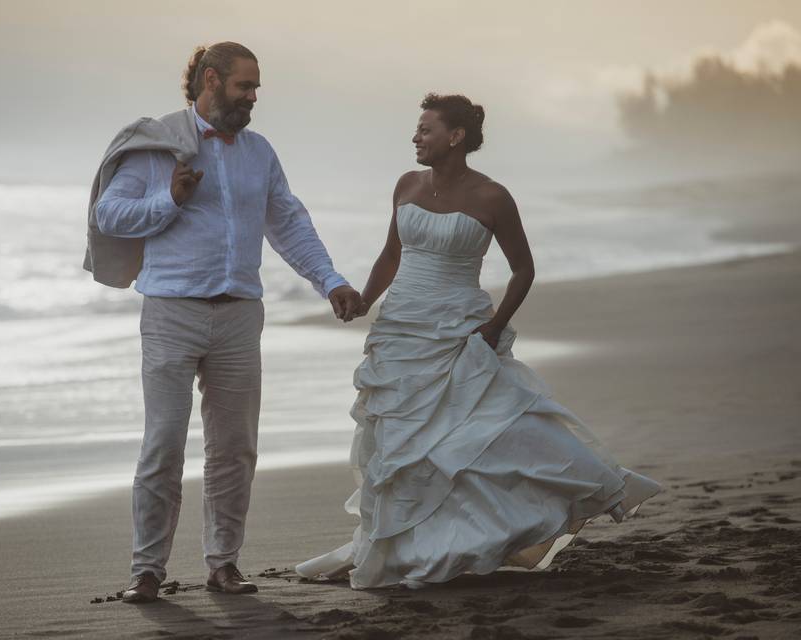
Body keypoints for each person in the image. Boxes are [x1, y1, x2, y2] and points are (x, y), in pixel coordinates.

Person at [295, 93, 662, 589]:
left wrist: (494, 327)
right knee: (403, 445)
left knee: (474, 436)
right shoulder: (405, 185)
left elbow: (523, 270)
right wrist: (362, 299)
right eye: (417, 129)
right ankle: (407, 545)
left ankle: (489, 529)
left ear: (456, 136)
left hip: (458, 328)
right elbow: (391, 253)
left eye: (426, 129)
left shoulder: (493, 197)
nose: (416, 137)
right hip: (402, 327)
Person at [93, 42, 362, 603]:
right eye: (245, 86)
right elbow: (109, 214)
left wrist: (330, 280)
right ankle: (147, 571)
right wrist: (167, 199)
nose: (254, 97)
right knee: (163, 445)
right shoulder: (158, 144)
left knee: (235, 447)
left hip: (241, 313)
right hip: (171, 310)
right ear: (211, 80)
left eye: (256, 87)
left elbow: (288, 222)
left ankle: (223, 563)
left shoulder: (260, 152)